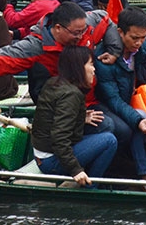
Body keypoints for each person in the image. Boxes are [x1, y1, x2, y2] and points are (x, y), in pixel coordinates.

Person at [0, 1, 122, 104]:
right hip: (62, 107)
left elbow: (105, 19)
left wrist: (114, 50)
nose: (81, 36)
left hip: (93, 98)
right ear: (57, 28)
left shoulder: (84, 24)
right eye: (76, 33)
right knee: (112, 132)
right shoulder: (35, 46)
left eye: (83, 31)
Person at [95, 7, 146, 179]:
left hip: (135, 98)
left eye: (143, 37)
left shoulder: (145, 44)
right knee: (133, 123)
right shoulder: (104, 58)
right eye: (134, 38)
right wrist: (137, 120)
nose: (139, 43)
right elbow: (113, 100)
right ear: (120, 32)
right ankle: (145, 173)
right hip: (107, 105)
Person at [32, 45, 118, 186]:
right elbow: (59, 137)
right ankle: (91, 187)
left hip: (42, 154)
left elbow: (54, 116)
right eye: (91, 64)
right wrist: (76, 170)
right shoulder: (71, 94)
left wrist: (81, 117)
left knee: (104, 128)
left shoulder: (54, 82)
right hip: (50, 161)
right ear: (78, 68)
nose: (94, 69)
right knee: (109, 140)